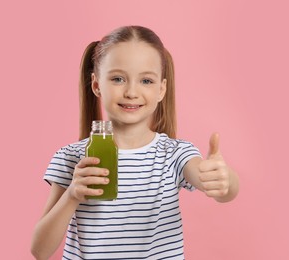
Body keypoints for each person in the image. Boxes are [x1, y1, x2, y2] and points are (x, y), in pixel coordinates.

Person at [31, 25, 239, 260]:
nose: (131, 92)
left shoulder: (175, 154)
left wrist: (224, 179)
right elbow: (40, 251)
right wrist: (72, 196)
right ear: (97, 85)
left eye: (146, 81)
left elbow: (220, 189)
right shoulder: (71, 157)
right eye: (118, 79)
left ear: (162, 89)